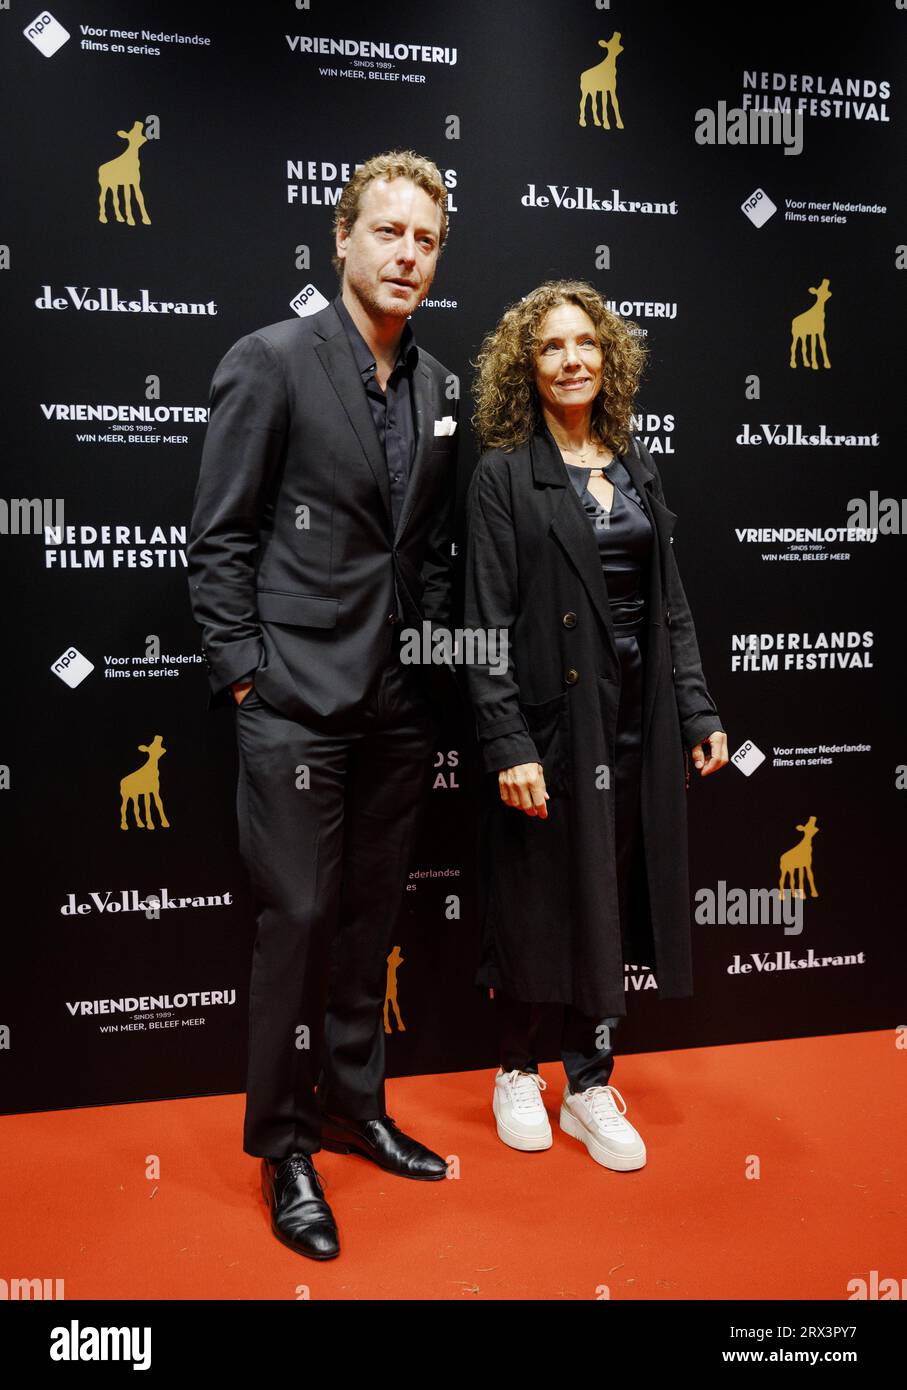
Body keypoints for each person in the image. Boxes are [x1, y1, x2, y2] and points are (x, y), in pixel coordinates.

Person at [186, 150, 460, 1259]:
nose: (406, 254)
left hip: (399, 704)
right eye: (387, 232)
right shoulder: (269, 361)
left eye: (425, 240)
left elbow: (424, 550)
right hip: (293, 702)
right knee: (295, 921)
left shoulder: (438, 386)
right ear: (340, 240)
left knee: (369, 918)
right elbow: (220, 540)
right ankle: (283, 1144)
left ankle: (354, 1102)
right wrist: (249, 675)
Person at [463, 280, 728, 1172]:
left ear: (607, 356)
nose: (571, 359)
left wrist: (695, 705)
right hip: (550, 721)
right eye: (550, 347)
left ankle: (587, 1082)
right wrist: (505, 740)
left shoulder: (635, 461)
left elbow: (672, 602)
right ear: (524, 367)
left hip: (636, 718)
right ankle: (513, 1069)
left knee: (608, 893)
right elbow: (481, 618)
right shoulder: (503, 473)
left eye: (586, 344)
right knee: (540, 895)